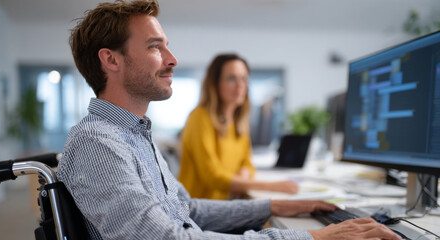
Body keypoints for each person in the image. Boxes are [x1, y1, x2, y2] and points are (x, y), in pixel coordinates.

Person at [56, 0, 402, 239]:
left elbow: (187, 209)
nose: (172, 59)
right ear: (111, 61)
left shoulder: (132, 133)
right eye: (155, 47)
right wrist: (309, 236)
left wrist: (280, 205)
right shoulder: (98, 142)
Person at [178, 53, 299, 200]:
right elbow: (212, 176)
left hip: (226, 206)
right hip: (199, 211)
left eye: (244, 78)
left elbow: (247, 164)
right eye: (231, 78)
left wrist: (243, 176)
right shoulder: (199, 118)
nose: (240, 85)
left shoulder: (238, 121)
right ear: (215, 84)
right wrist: (272, 186)